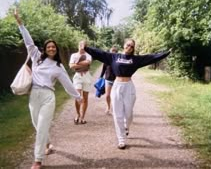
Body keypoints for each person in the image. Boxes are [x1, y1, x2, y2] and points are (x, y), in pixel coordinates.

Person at [14, 10, 82, 169]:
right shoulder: (36, 57)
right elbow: (29, 42)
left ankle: (38, 160)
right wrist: (20, 23)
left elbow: (67, 83)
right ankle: (48, 142)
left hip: (48, 97)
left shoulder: (58, 67)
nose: (51, 48)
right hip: (34, 95)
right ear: (45, 49)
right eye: (49, 47)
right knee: (37, 124)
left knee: (42, 126)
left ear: (56, 50)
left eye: (54, 47)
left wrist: (77, 96)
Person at [81, 39, 171, 150]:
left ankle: (126, 126)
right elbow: (100, 53)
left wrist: (166, 53)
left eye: (132, 46)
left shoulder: (136, 59)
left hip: (129, 87)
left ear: (133, 49)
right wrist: (86, 48)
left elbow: (151, 57)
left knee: (128, 114)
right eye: (128, 45)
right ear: (124, 45)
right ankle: (121, 139)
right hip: (117, 85)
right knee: (117, 114)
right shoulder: (114, 57)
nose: (129, 47)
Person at [69, 40, 92, 124]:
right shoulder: (74, 55)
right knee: (78, 96)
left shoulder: (88, 55)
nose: (82, 46)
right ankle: (77, 114)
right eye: (81, 44)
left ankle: (82, 117)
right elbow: (71, 66)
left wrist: (77, 64)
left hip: (87, 76)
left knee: (85, 98)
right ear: (78, 45)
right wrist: (82, 65)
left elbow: (88, 62)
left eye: (84, 45)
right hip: (78, 76)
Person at [100, 46, 118, 115]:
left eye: (114, 53)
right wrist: (100, 77)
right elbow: (103, 69)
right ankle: (108, 106)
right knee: (107, 95)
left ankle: (116, 108)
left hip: (117, 80)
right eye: (111, 53)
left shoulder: (118, 61)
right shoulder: (106, 60)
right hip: (108, 79)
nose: (112, 54)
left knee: (116, 96)